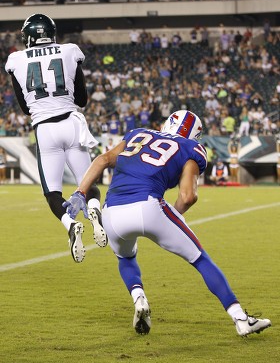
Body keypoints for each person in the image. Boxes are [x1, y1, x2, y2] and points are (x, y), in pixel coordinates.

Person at [63, 109, 271, 337]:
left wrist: (80, 193)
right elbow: (188, 195)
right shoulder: (190, 147)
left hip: (111, 213)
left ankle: (139, 298)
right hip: (148, 205)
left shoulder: (137, 134)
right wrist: (170, 220)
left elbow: (103, 160)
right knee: (199, 258)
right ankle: (241, 319)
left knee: (126, 257)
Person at [5, 13, 107, 263]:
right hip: (72, 124)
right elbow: (82, 99)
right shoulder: (70, 50)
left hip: (46, 130)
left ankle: (71, 224)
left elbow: (25, 108)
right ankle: (94, 211)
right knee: (89, 185)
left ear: (28, 36)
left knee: (52, 193)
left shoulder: (16, 59)